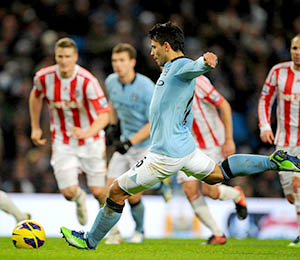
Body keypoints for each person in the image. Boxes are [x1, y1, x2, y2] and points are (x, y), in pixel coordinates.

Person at [60, 22, 300, 250]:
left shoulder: (179, 67)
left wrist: (206, 62)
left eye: (154, 47)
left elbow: (194, 66)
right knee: (218, 174)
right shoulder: (168, 70)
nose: (151, 52)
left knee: (115, 191)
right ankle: (273, 161)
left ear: (166, 46)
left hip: (164, 155)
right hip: (187, 150)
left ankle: (90, 240)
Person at [29, 37, 109, 226]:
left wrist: (87, 132)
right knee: (68, 193)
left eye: (67, 56)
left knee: (98, 191)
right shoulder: (43, 77)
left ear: (75, 57)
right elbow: (35, 96)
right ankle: (79, 198)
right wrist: (35, 127)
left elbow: (104, 115)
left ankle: (110, 229)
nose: (63, 60)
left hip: (92, 141)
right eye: (60, 56)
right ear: (55, 57)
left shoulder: (87, 81)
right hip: (63, 141)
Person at [177, 75, 247, 245]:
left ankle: (236, 194)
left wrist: (229, 139)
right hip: (189, 145)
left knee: (210, 192)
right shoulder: (166, 84)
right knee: (189, 189)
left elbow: (224, 105)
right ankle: (217, 234)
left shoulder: (196, 80)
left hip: (212, 143)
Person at [104, 43, 155, 244]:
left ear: (132, 62)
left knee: (132, 195)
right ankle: (114, 233)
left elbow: (154, 124)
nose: (118, 65)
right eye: (114, 61)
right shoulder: (111, 82)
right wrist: (111, 125)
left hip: (145, 146)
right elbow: (112, 103)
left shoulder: (147, 87)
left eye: (122, 60)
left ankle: (140, 230)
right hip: (125, 143)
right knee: (108, 189)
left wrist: (130, 141)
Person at [258, 34, 300, 247]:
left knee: (298, 185)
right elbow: (265, 99)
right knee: (291, 195)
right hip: (284, 141)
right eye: (294, 48)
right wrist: (265, 125)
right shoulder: (278, 71)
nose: (297, 52)